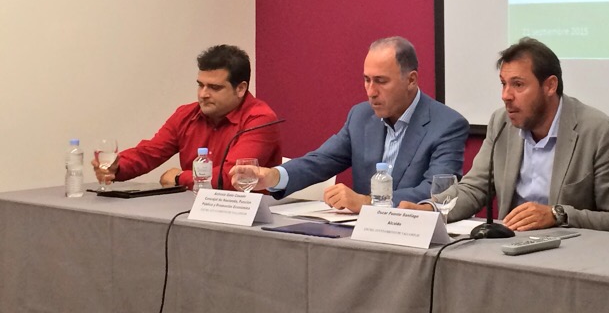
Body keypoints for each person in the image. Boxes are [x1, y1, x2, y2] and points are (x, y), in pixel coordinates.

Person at [400, 37, 609, 232]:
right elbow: (474, 188)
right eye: (503, 84)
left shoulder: (599, 132)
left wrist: (558, 215)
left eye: (518, 85)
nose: (506, 95)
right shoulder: (501, 122)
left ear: (550, 86)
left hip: (572, 256)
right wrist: (430, 209)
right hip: (511, 247)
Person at [231, 36, 469, 211]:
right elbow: (321, 161)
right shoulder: (360, 116)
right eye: (366, 80)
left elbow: (437, 190)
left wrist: (367, 202)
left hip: (415, 239)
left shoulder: (447, 125)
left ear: (411, 80)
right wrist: (273, 176)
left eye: (381, 81)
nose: (371, 91)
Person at [93, 45, 282, 190]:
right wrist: (117, 167)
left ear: (240, 88)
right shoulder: (187, 114)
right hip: (191, 211)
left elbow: (231, 179)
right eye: (200, 85)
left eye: (214, 87)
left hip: (245, 216)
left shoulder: (260, 119)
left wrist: (178, 178)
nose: (203, 94)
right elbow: (150, 152)